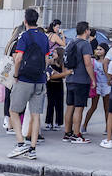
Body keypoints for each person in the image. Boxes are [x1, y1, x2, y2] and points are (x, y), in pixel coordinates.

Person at [8, 8, 52, 160]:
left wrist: (15, 74)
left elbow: (19, 58)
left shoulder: (24, 36)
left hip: (25, 79)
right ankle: (32, 148)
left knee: (14, 110)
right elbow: (47, 59)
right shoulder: (44, 37)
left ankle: (20, 144)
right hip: (40, 80)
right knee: (35, 114)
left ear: (25, 21)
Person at [62, 21, 95, 144]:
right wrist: (93, 79)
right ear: (86, 30)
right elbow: (88, 63)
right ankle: (77, 134)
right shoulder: (85, 44)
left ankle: (67, 133)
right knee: (79, 108)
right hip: (81, 80)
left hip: (70, 78)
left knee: (70, 106)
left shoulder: (70, 42)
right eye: (89, 29)